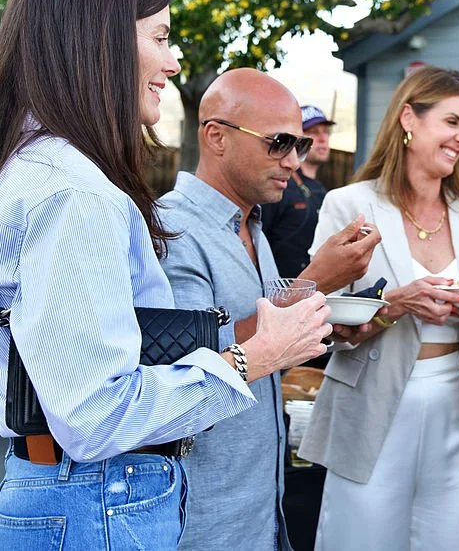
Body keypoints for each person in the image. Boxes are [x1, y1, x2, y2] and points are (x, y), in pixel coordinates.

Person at [0, 0, 334, 549]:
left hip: (73, 493)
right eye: (160, 37)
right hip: (97, 500)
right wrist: (255, 357)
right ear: (100, 41)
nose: (173, 60)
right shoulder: (75, 193)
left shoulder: (42, 169)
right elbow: (97, 414)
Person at [298, 66, 459, 551]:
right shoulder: (350, 205)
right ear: (409, 118)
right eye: (452, 122)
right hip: (370, 406)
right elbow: (319, 319)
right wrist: (395, 304)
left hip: (454, 408)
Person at [159, 69, 381, 550]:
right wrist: (316, 281)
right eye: (278, 142)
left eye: (300, 145)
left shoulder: (253, 225)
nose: (293, 160)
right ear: (216, 136)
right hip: (201, 513)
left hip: (259, 503)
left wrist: (329, 325)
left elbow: (267, 344)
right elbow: (193, 366)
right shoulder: (172, 229)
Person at [261, 104, 336, 277]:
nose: (323, 138)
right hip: (278, 293)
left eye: (326, 131)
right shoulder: (279, 186)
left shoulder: (322, 190)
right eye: (313, 132)